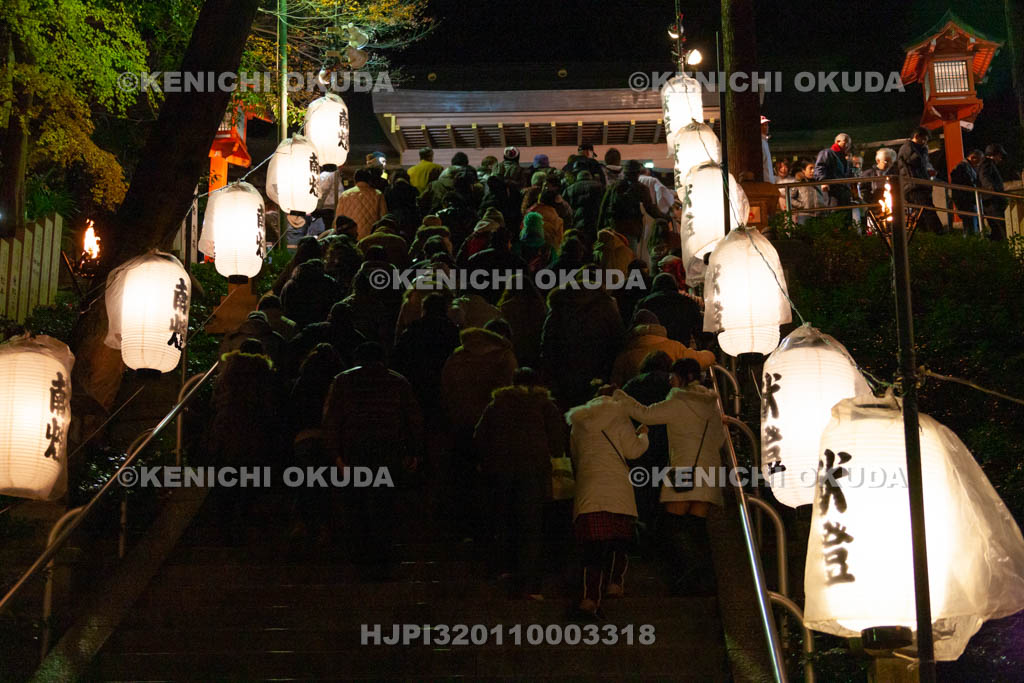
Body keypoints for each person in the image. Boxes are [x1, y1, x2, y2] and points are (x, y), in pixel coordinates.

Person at [613, 358, 726, 595]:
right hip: (710, 472)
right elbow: (720, 440)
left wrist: (622, 398)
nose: (670, 381)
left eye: (673, 377)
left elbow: (644, 414)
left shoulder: (678, 401)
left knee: (672, 525)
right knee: (696, 527)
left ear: (681, 378)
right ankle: (701, 580)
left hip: (685, 471)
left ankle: (693, 572)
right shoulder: (711, 405)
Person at [322, 342, 423, 576]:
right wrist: (414, 451)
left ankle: (360, 556)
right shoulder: (398, 381)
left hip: (354, 449)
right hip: (388, 448)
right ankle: (381, 558)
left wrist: (335, 454)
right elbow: (413, 418)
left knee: (355, 504)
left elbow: (332, 420)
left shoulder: (342, 381)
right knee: (383, 504)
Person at [474, 367, 565, 599]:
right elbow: (557, 442)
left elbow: (480, 436)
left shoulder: (497, 404)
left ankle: (503, 570)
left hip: (500, 469)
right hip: (534, 470)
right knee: (531, 524)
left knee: (503, 519)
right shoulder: (545, 405)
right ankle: (530, 583)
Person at [567, 384, 650, 618]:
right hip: (617, 488)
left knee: (591, 548)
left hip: (588, 489)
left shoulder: (578, 421)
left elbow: (575, 456)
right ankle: (615, 583)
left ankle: (590, 598)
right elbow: (633, 451)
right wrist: (643, 434)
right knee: (619, 540)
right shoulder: (619, 416)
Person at [541, 271, 625, 408]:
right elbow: (617, 337)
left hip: (564, 368)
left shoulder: (560, 304)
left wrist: (549, 369)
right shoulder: (605, 305)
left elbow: (548, 341)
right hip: (598, 368)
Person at [610, 309, 715, 387]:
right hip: (672, 404)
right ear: (658, 327)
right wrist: (710, 354)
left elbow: (615, 385)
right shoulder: (673, 347)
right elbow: (700, 360)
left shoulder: (624, 357)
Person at [634, 272, 703, 346]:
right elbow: (698, 327)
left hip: (653, 346)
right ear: (675, 285)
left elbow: (635, 327)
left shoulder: (644, 303)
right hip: (681, 346)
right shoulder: (687, 302)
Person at [897, 127, 941, 233]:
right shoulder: (907, 147)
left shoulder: (917, 148)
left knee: (921, 214)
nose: (925, 142)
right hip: (914, 186)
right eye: (924, 139)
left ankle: (923, 236)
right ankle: (938, 234)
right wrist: (924, 152)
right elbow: (914, 162)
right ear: (917, 136)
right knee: (928, 211)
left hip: (918, 185)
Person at [280, 258, 338, 329]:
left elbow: (284, 305)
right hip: (318, 325)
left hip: (293, 325)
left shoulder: (290, 284)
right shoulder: (324, 284)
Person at [335, 168, 388, 239]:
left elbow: (338, 218)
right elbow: (384, 217)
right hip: (371, 237)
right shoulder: (378, 194)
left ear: (355, 179)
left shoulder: (345, 195)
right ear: (369, 180)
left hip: (350, 236)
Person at [813, 133, 855, 218]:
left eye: (848, 143)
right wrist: (823, 181)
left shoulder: (844, 157)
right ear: (837, 141)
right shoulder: (827, 153)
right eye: (846, 142)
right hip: (833, 191)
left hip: (844, 191)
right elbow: (820, 167)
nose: (847, 145)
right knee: (835, 215)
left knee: (845, 217)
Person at [564, 169, 605, 243]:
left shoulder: (570, 188)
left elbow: (565, 207)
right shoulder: (599, 186)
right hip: (595, 220)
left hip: (578, 221)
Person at [979, 144, 1008, 240]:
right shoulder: (987, 164)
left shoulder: (987, 163)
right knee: (1000, 226)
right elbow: (985, 178)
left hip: (991, 200)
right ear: (994, 154)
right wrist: (994, 191)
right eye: (1000, 156)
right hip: (992, 201)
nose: (1000, 159)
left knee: (997, 228)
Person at [950, 150, 983, 236]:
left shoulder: (965, 167)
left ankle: (971, 241)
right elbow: (965, 184)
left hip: (966, 201)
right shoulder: (963, 167)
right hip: (966, 201)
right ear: (973, 158)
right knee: (970, 225)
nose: (978, 164)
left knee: (970, 225)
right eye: (978, 160)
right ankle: (971, 242)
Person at [792, 159, 827, 224]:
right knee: (805, 233)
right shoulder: (798, 182)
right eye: (810, 168)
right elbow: (790, 198)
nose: (813, 171)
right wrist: (802, 205)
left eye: (814, 168)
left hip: (820, 214)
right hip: (805, 215)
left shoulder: (819, 181)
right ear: (803, 170)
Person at [761, 116, 775, 183]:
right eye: (762, 125)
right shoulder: (760, 142)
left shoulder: (765, 141)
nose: (765, 127)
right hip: (765, 181)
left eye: (766, 125)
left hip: (769, 181)